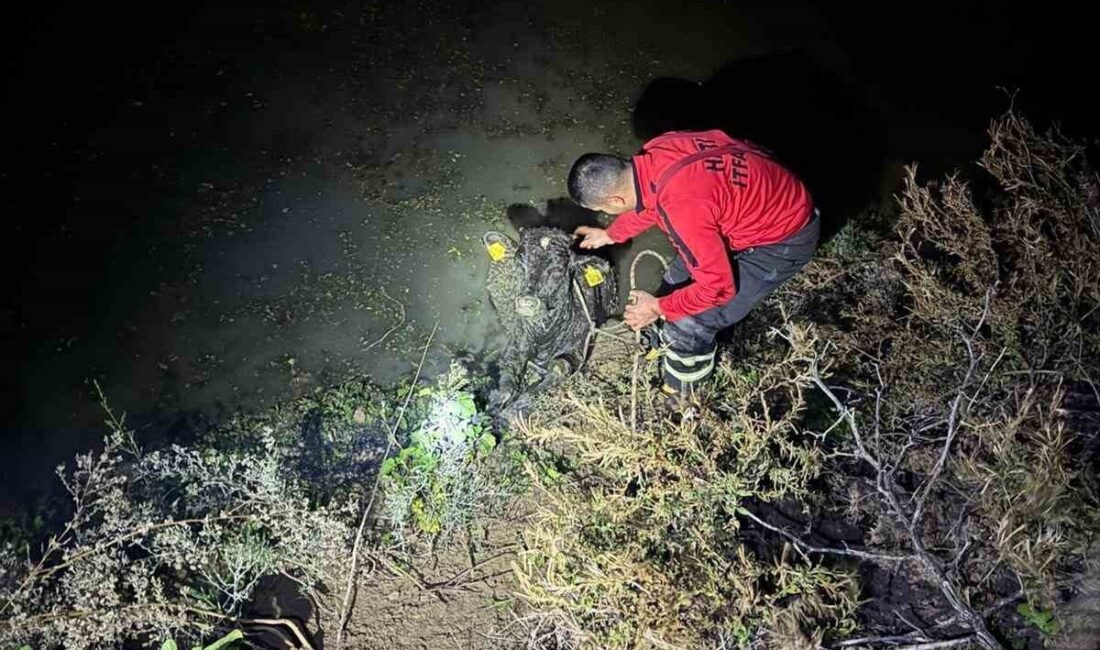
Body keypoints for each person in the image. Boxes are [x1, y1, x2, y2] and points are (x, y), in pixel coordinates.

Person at [568, 129, 819, 396]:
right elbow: (651, 203)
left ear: (616, 200)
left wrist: (657, 307)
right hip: (755, 201)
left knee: (689, 319)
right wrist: (610, 234)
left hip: (783, 240)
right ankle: (663, 343)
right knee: (674, 283)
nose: (606, 214)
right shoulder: (657, 150)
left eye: (603, 211)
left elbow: (719, 288)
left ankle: (682, 390)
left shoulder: (682, 209)